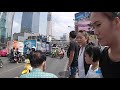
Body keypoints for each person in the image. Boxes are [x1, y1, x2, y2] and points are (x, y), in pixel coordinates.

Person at [90, 12, 120, 78]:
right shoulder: (103, 55)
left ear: (116, 22)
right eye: (93, 27)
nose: (95, 32)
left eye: (98, 25)